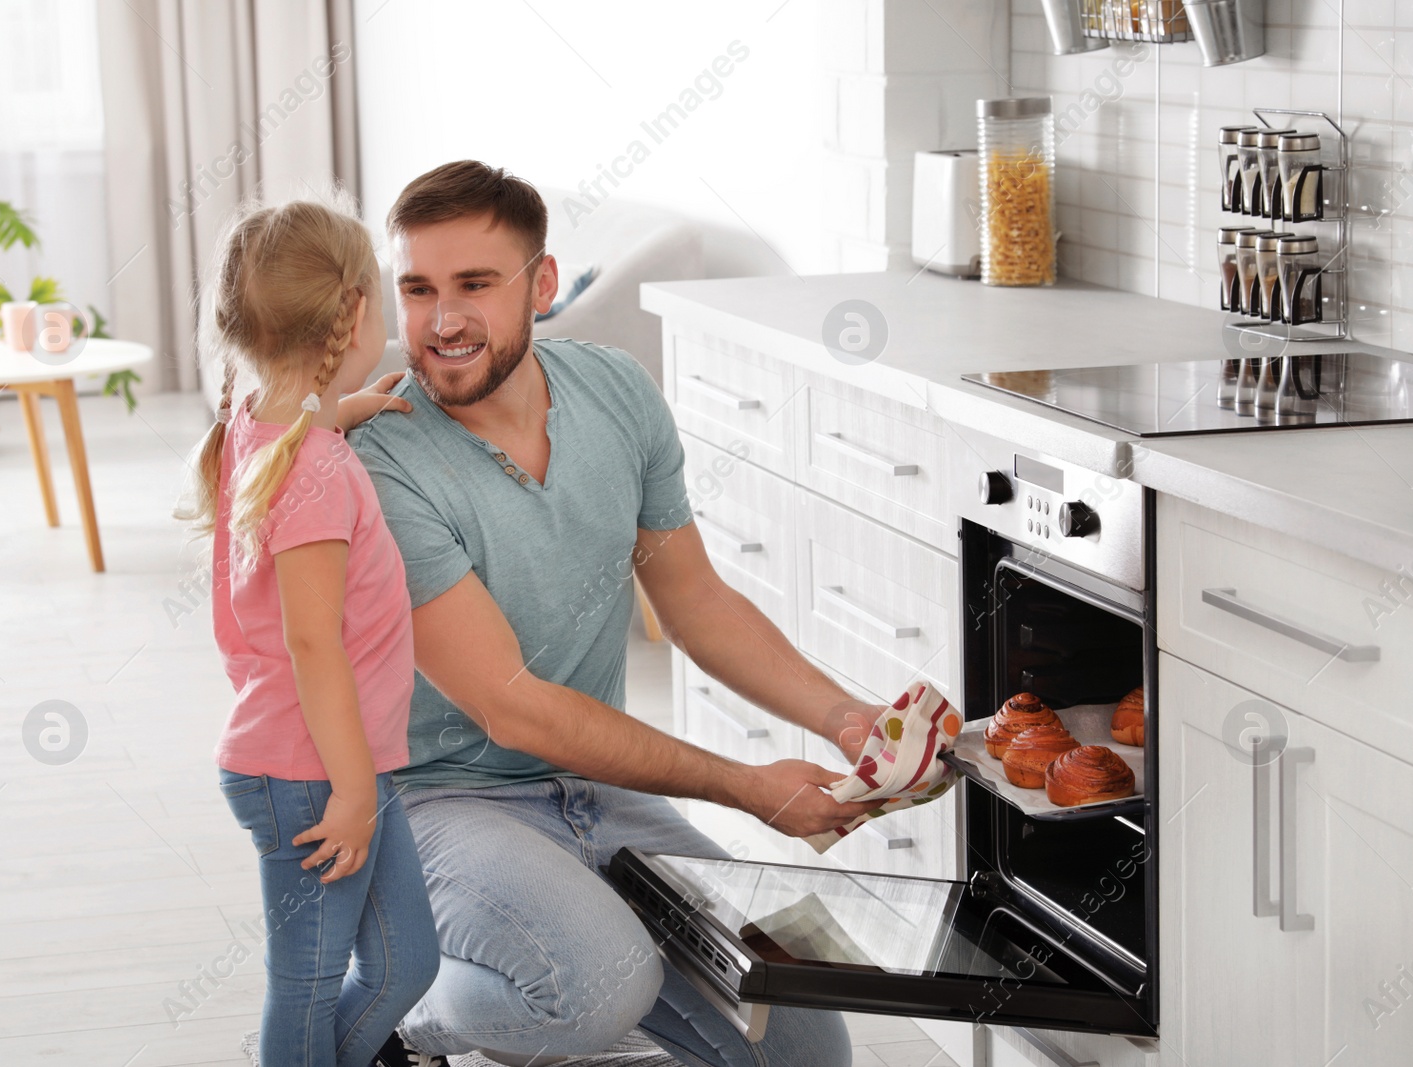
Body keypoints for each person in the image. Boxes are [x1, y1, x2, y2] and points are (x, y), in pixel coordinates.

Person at [347, 161, 887, 1067]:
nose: (442, 322)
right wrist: (746, 785)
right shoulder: (385, 450)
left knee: (803, 1039)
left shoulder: (618, 392)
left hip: (597, 791)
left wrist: (843, 717)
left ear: (542, 284)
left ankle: (579, 929)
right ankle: (400, 1010)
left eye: (475, 285)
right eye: (418, 289)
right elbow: (510, 705)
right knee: (597, 986)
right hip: (440, 800)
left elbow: (696, 601)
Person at [178, 195, 443, 1067]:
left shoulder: (265, 425)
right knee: (306, 983)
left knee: (409, 959)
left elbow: (303, 429)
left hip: (336, 757)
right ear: (357, 311)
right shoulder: (315, 472)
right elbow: (313, 643)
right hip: (313, 772)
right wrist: (355, 792)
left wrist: (346, 409)